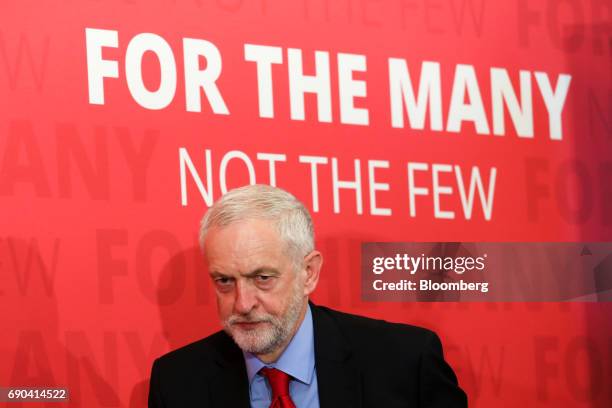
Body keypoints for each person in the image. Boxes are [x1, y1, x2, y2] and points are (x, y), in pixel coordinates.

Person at [148, 184, 467, 407]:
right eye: (224, 281)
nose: (243, 304)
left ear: (309, 273)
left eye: (263, 278)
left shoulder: (405, 362)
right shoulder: (177, 383)